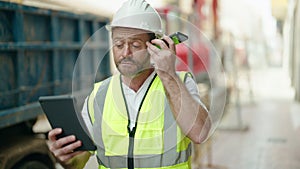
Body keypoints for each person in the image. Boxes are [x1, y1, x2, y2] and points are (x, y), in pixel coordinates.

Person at [48, 0, 211, 168]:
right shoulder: (100, 95)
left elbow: (200, 133)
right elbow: (78, 162)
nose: (125, 53)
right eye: (119, 44)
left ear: (155, 45)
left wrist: (169, 75)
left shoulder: (180, 83)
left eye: (135, 45)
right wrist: (65, 158)